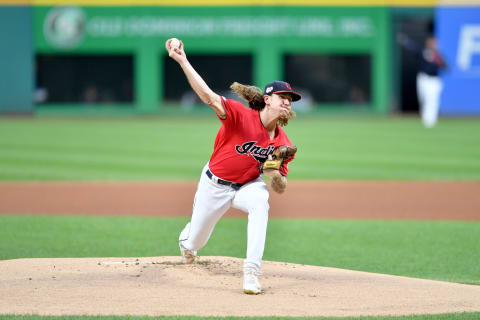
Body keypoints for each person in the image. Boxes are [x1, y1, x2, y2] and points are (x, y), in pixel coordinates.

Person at [165, 38, 300, 295]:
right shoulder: (240, 115)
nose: (287, 102)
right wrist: (182, 60)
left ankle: (251, 273)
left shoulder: (282, 142)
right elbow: (207, 96)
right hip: (214, 184)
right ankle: (188, 238)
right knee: (195, 241)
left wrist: (278, 179)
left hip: (246, 185)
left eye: (290, 100)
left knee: (261, 202)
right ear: (268, 99)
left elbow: (274, 175)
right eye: (283, 97)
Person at [398, 33, 447, 128]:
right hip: (423, 78)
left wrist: (438, 60)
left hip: (434, 80)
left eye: (435, 43)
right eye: (431, 42)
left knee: (432, 100)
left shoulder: (438, 54)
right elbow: (413, 47)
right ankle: (426, 118)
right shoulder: (423, 51)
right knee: (423, 99)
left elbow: (445, 67)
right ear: (428, 43)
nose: (433, 44)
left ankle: (430, 121)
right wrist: (404, 41)